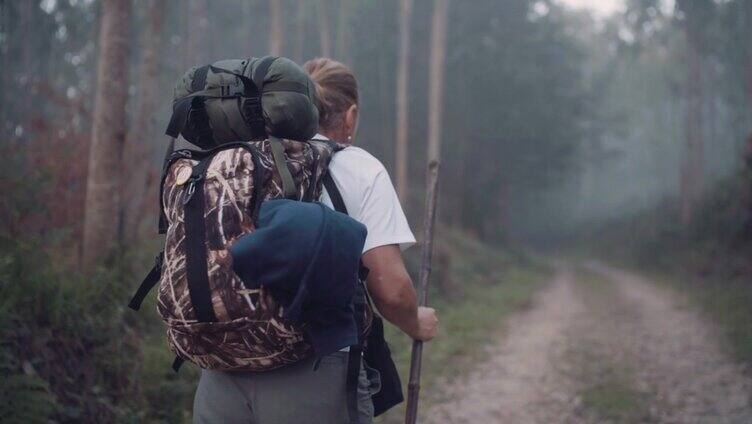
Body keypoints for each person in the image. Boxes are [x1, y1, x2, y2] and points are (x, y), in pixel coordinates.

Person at [193, 58, 438, 424]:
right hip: (316, 370)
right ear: (350, 115)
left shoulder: (239, 159)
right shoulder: (358, 168)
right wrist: (415, 322)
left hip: (223, 368)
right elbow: (390, 289)